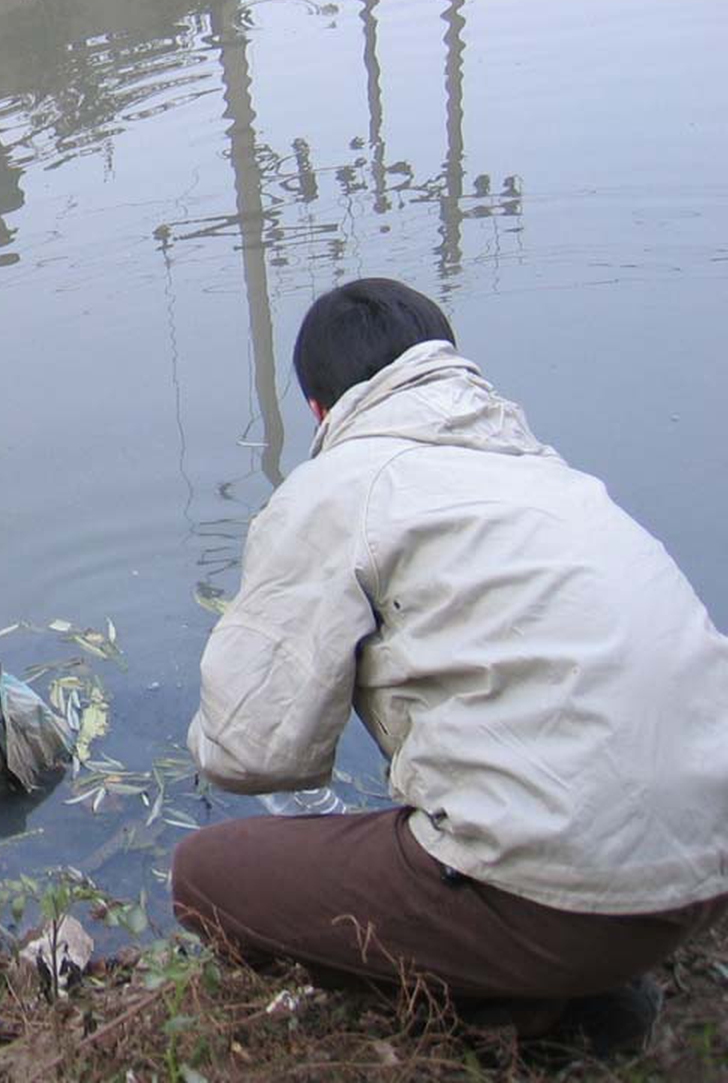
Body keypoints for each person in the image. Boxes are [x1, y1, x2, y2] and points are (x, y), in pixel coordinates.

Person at [172, 277, 728, 1052]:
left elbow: (250, 750)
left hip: (572, 898)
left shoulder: (339, 484)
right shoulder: (551, 474)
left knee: (206, 875)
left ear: (317, 410)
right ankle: (583, 968)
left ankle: (517, 1008)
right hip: (706, 868)